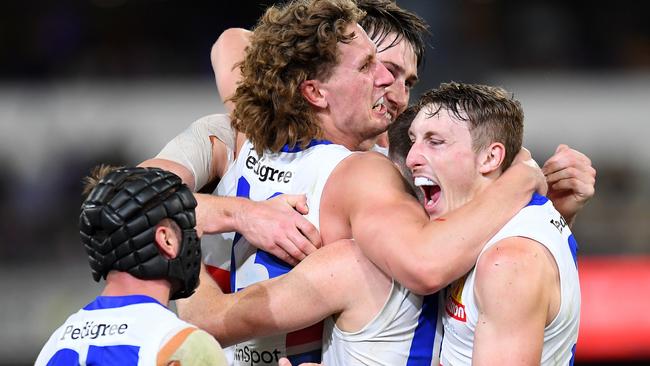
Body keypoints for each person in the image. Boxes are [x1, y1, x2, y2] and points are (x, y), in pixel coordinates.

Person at [177, 0, 548, 365]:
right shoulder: (363, 175)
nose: (397, 91)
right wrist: (521, 179)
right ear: (317, 91)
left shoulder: (245, 130)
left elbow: (230, 42)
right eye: (373, 65)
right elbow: (425, 264)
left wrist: (229, 215)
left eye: (408, 81)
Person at [402, 83, 580, 365]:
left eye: (435, 142)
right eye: (414, 140)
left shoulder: (509, 262)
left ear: (490, 157)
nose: (412, 159)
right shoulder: (490, 227)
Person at [34, 166, 227, 366]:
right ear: (166, 240)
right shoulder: (184, 346)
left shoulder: (54, 345)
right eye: (187, 228)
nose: (195, 237)